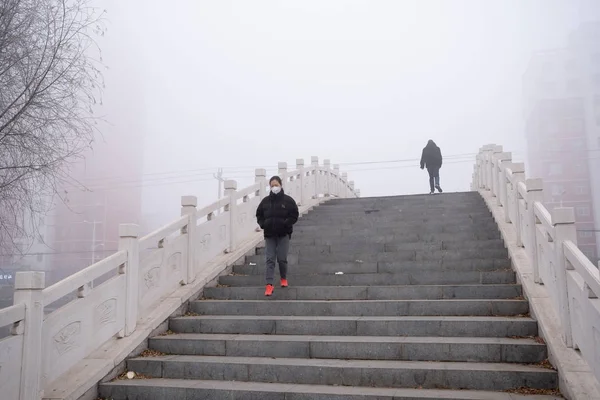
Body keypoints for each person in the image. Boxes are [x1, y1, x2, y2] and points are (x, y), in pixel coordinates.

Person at [256, 176, 299, 296]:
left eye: (276, 185)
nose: (274, 187)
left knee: (282, 259)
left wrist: (286, 224)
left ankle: (283, 278)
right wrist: (263, 224)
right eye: (272, 185)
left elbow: (294, 214)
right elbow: (259, 214)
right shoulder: (265, 201)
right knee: (270, 259)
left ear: (280, 185)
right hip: (270, 235)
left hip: (283, 234)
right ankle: (269, 285)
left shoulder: (288, 200)